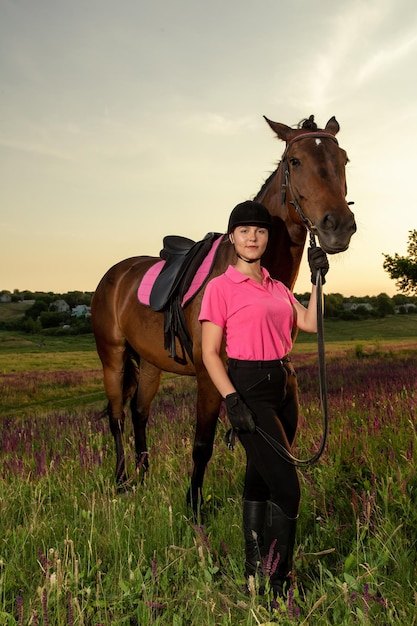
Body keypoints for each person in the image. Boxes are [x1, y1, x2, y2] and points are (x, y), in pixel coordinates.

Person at [198, 200, 329, 597]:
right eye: (244, 231)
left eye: (259, 231)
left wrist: (318, 280)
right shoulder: (220, 287)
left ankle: (254, 569)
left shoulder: (276, 286)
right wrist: (231, 399)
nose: (252, 237)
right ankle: (278, 585)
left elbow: (309, 322)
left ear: (266, 238)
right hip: (249, 387)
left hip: (285, 385)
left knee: (259, 478)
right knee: (288, 489)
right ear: (232, 238)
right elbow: (209, 353)